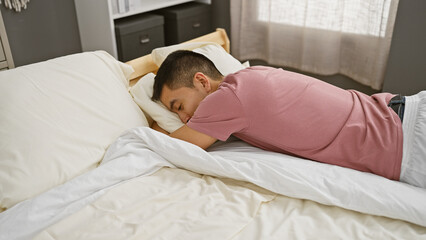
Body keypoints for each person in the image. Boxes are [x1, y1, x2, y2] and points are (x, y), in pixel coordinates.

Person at [151, 50, 426, 189]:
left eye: (179, 106)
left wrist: (153, 126)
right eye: (176, 114)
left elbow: (177, 146)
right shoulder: (251, 75)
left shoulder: (224, 100)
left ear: (202, 81)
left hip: (406, 143)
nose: (184, 117)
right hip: (403, 110)